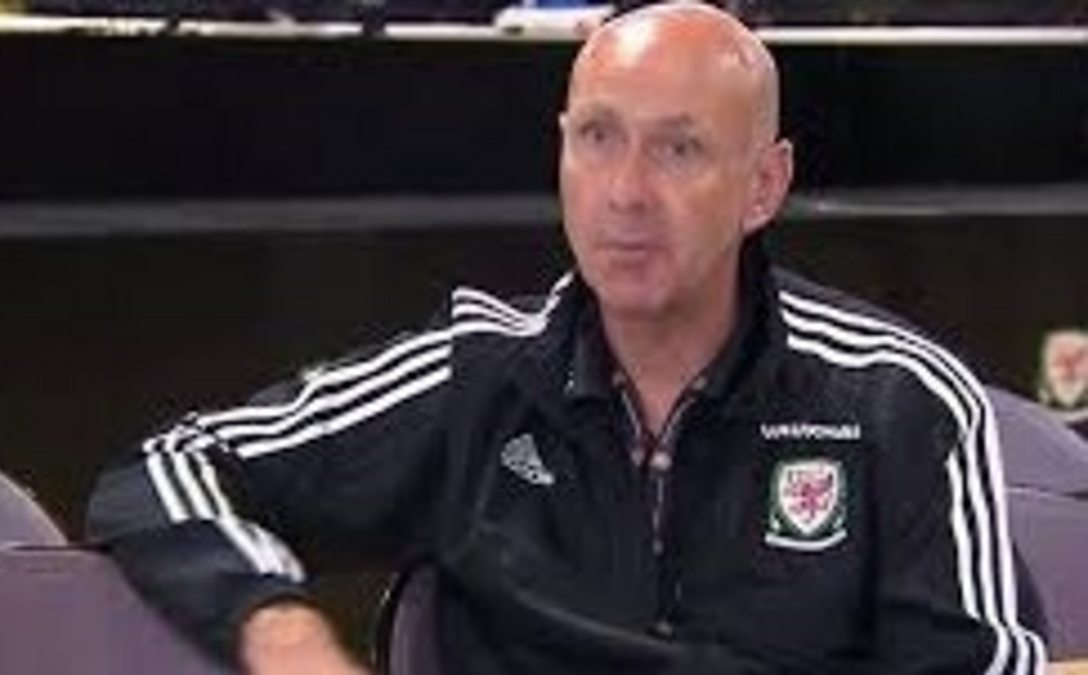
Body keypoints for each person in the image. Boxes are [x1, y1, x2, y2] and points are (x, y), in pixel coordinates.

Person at [85, 3, 1048, 673]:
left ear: (765, 185)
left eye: (679, 148)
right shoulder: (475, 375)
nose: (626, 192)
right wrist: (283, 632)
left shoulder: (899, 400)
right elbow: (168, 468)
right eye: (597, 137)